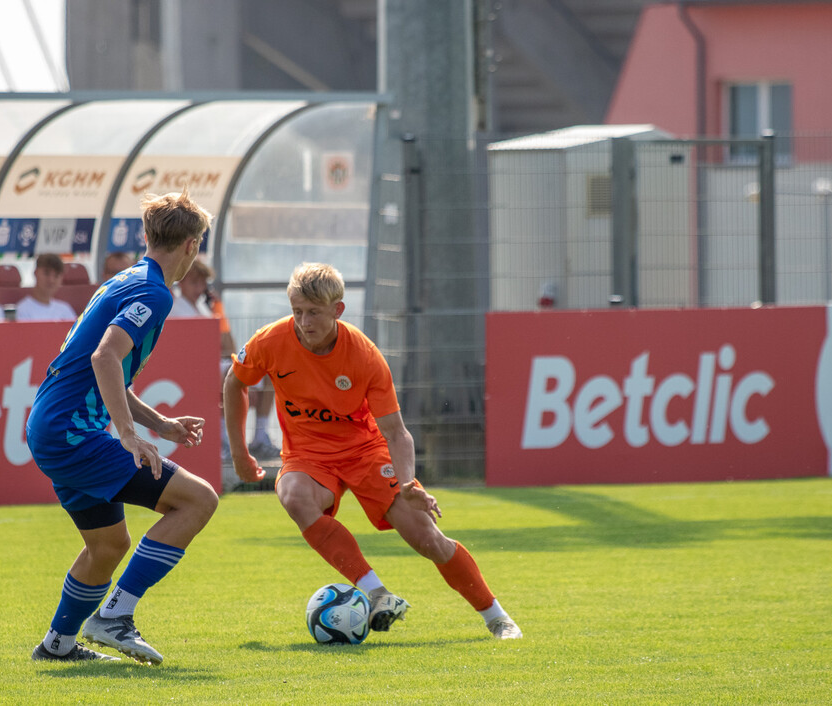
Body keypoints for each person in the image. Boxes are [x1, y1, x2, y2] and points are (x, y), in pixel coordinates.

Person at [223, 262, 522, 641]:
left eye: (313, 312)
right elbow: (235, 383)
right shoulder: (270, 341)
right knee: (294, 496)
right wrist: (238, 454)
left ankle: (497, 617)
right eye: (297, 311)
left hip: (366, 452)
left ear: (338, 310)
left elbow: (396, 432)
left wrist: (408, 482)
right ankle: (378, 593)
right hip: (308, 455)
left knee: (426, 537)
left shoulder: (364, 355)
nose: (303, 321)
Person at [26, 190, 219, 664]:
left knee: (109, 543)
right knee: (199, 500)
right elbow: (105, 357)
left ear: (149, 236)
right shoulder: (152, 292)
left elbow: (105, 371)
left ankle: (58, 646)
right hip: (74, 433)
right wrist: (131, 437)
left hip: (53, 426)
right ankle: (114, 617)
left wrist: (158, 423)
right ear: (193, 245)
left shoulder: (127, 280)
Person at [170, 258, 279, 458]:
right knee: (232, 381)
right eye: (194, 282)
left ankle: (260, 436)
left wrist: (218, 308)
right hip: (196, 370)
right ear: (181, 282)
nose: (199, 288)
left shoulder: (205, 308)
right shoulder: (176, 308)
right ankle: (223, 441)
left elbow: (228, 346)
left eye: (202, 283)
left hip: (216, 365)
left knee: (268, 372)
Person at [15, 253, 78, 322]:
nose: (51, 280)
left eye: (56, 276)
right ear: (35, 273)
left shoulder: (65, 309)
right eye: (46, 273)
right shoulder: (23, 310)